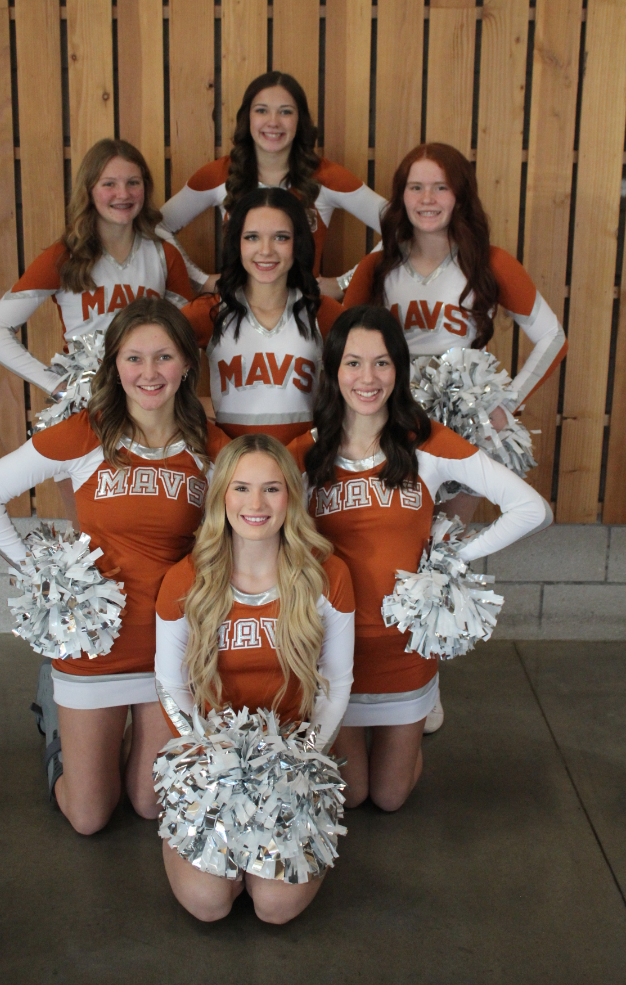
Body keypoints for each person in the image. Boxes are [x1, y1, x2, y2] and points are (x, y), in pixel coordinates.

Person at [0, 298, 229, 835]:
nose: (149, 372)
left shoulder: (208, 444)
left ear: (186, 365)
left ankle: (112, 750)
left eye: (164, 357)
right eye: (134, 358)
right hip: (94, 647)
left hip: (170, 646)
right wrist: (47, 578)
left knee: (151, 805)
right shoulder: (88, 432)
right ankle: (58, 730)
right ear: (115, 366)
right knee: (89, 817)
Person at [288, 306, 552, 813]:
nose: (368, 378)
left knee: (389, 798)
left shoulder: (425, 442)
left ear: (399, 369)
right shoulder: (308, 452)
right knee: (352, 795)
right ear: (334, 370)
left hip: (405, 651)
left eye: (382, 363)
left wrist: (450, 560)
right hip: (333, 654)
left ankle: (412, 731)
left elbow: (533, 510)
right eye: (353, 363)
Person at [154, 434, 355, 923]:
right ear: (221, 496)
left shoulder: (328, 575)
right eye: (241, 488)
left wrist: (304, 759)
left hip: (293, 756)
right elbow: (169, 683)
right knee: (208, 904)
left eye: (272, 489)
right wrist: (209, 756)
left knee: (275, 907)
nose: (256, 504)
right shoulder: (186, 578)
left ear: (291, 496)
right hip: (213, 758)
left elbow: (338, 681)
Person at [343, 142, 568, 527]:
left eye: (441, 187)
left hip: (463, 421)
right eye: (416, 187)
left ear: (460, 195)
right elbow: (340, 346)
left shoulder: (490, 262)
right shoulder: (378, 265)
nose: (427, 199)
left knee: (446, 539)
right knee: (398, 534)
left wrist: (507, 402)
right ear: (401, 196)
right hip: (392, 413)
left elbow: (553, 337)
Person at [0, 138, 194, 401]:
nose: (123, 194)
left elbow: (187, 335)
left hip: (150, 401)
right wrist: (56, 385)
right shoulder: (64, 257)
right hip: (90, 403)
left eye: (133, 182)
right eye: (109, 184)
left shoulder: (164, 255)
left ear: (145, 188)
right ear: (89, 190)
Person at [160, 71, 385, 297]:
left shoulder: (327, 176)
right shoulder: (219, 174)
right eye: (261, 110)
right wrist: (200, 281)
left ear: (300, 119)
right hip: (235, 310)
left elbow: (398, 225)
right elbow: (157, 226)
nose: (273, 122)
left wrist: (344, 283)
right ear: (247, 117)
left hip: (305, 311)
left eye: (286, 112)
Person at [181, 187, 342, 445]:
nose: (266, 250)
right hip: (229, 464)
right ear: (237, 243)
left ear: (297, 243)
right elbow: (152, 359)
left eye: (281, 237)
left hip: (302, 464)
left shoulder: (320, 312)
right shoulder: (210, 312)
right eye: (252, 237)